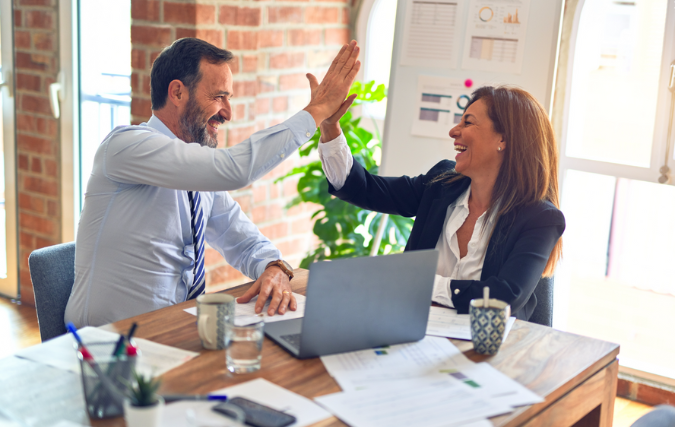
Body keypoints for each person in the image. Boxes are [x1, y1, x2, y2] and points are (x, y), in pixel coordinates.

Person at [64, 38, 361, 327]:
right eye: (219, 96)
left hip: (173, 333)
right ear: (177, 93)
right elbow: (235, 169)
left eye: (229, 98)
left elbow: (241, 238)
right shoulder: (126, 147)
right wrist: (317, 111)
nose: (228, 113)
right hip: (107, 345)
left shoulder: (197, 174)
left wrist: (274, 267)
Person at [317, 86, 565, 320]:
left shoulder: (540, 218)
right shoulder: (441, 184)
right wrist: (330, 127)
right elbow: (364, 189)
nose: (453, 131)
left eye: (467, 122)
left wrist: (420, 283)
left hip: (490, 352)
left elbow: (503, 297)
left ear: (503, 139)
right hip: (415, 334)